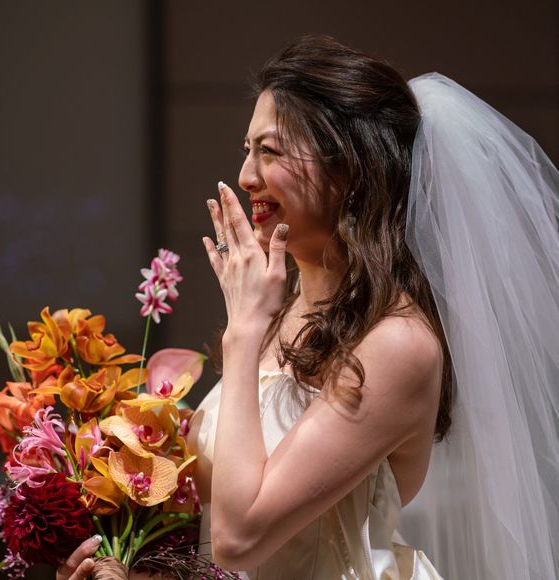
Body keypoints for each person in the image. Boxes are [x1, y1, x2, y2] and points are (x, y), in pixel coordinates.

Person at [58, 35, 559, 580]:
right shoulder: (280, 313)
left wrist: (242, 330)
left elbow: (240, 538)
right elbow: (219, 544)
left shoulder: (397, 343)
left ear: (349, 169)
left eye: (269, 151)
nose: (246, 176)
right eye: (247, 149)